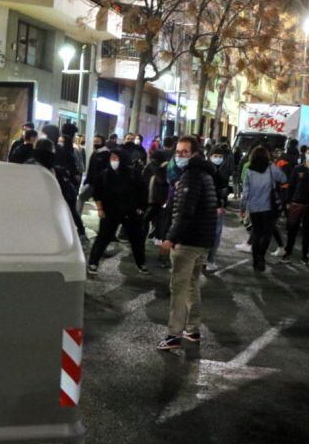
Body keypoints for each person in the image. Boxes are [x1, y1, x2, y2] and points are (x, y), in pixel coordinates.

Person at [158, 136, 217, 351]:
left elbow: (184, 213)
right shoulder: (206, 174)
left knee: (179, 288)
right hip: (202, 240)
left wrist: (171, 237)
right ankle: (192, 329)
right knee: (192, 285)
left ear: (195, 153)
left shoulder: (191, 176)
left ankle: (174, 335)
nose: (180, 155)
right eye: (178, 151)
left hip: (189, 241)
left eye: (185, 152)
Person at [87, 147, 148, 275]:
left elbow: (143, 192)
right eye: (111, 158)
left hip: (131, 213)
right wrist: (100, 209)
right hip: (110, 212)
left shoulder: (133, 174)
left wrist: (141, 209)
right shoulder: (105, 174)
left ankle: (141, 264)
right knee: (103, 238)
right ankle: (93, 263)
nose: (113, 161)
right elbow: (97, 193)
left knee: (136, 240)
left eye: (115, 158)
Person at [239, 146, 289, 272]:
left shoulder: (249, 171)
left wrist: (243, 208)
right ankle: (261, 257)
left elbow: (245, 192)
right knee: (266, 234)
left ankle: (256, 261)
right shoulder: (272, 168)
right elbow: (283, 179)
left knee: (256, 233)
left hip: (254, 208)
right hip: (269, 207)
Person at [282, 146, 309, 266]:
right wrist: (287, 201)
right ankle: (287, 253)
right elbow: (291, 187)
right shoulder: (297, 169)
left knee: (307, 232)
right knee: (292, 230)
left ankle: (305, 255)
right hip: (296, 204)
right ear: (305, 154)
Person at [204, 147, 231, 271]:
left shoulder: (214, 169)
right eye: (216, 156)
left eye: (220, 156)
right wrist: (219, 206)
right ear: (210, 156)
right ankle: (209, 260)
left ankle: (205, 259)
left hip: (209, 207)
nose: (218, 158)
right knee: (215, 234)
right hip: (213, 208)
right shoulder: (212, 171)